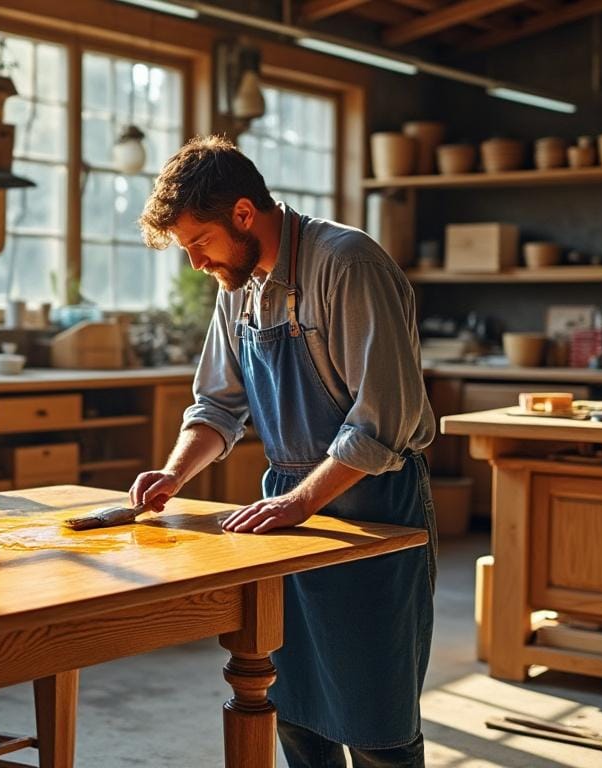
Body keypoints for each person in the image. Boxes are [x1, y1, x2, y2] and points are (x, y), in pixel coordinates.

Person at [129, 135, 438, 768]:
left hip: (375, 510)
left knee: (378, 727)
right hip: (288, 518)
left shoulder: (348, 264)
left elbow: (382, 421)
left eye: (199, 242)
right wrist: (175, 472)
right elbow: (216, 407)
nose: (196, 263)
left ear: (243, 214)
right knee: (295, 715)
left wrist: (299, 501)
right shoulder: (237, 285)